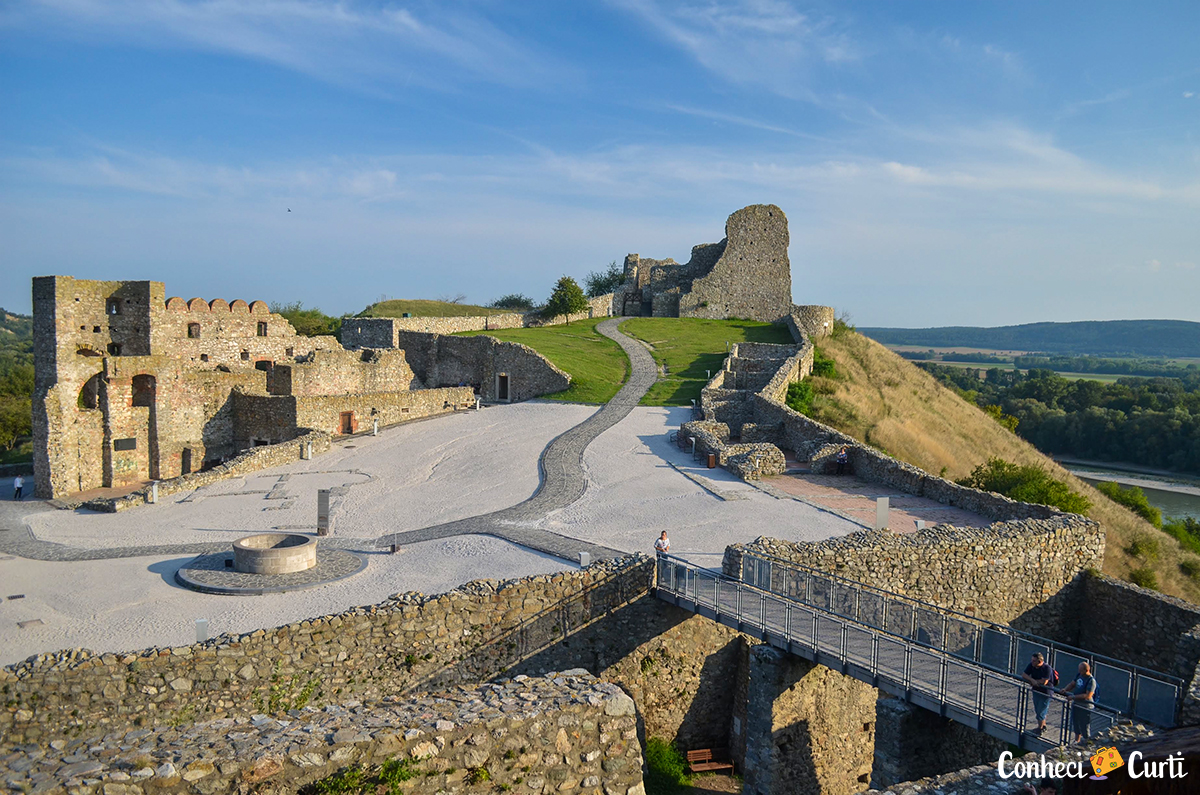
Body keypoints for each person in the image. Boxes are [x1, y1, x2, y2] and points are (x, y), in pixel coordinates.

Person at [1058, 662, 1097, 742]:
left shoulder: (1091, 681)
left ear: (1086, 670)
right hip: (1076, 704)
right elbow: (1072, 684)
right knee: (1076, 725)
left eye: (1081, 670)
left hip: (1085, 706)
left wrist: (1073, 697)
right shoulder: (1079, 675)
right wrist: (1065, 689)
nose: (1079, 672)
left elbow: (1088, 695)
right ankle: (1077, 742)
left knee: (1084, 726)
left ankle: (1087, 742)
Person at [1021, 652, 1054, 734]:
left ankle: (1040, 728)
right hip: (1036, 690)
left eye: (1034, 661)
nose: (1032, 662)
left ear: (1039, 661)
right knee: (1038, 709)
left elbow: (1044, 681)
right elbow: (1024, 674)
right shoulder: (1032, 665)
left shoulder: (1047, 668)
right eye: (1032, 660)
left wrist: (1036, 682)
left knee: (1041, 711)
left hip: (1045, 693)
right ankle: (1043, 726)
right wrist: (1032, 680)